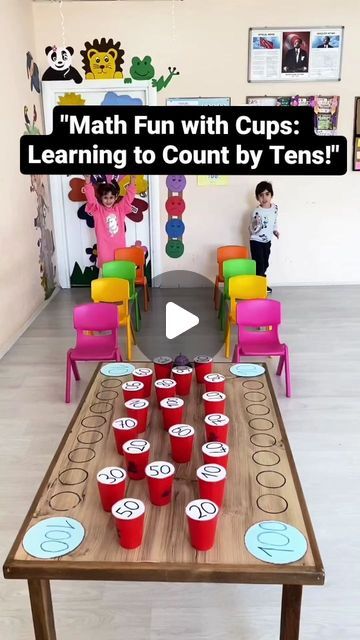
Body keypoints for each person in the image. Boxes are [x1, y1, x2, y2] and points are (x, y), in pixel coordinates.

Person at [83, 175, 136, 268]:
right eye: (105, 197)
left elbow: (128, 199)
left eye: (111, 197)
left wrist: (133, 181)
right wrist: (87, 181)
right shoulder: (97, 210)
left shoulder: (120, 209)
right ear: (101, 198)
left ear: (115, 198)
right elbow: (91, 200)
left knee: (120, 271)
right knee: (106, 272)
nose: (108, 200)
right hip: (104, 248)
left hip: (119, 247)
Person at [249, 181, 279, 293]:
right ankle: (260, 286)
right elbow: (251, 227)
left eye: (267, 194)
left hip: (267, 241)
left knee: (265, 263)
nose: (264, 197)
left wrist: (275, 231)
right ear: (257, 197)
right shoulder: (256, 211)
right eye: (261, 195)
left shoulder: (275, 208)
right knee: (259, 263)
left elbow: (274, 221)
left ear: (271, 195)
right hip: (256, 240)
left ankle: (258, 283)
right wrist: (256, 228)